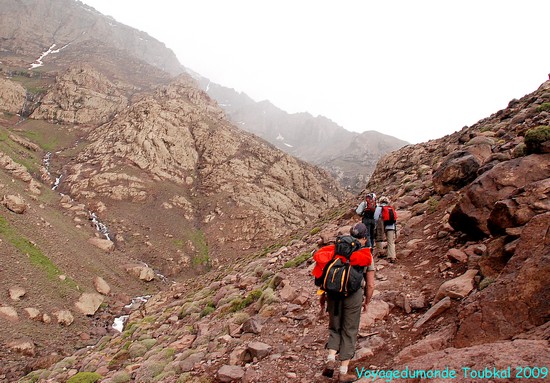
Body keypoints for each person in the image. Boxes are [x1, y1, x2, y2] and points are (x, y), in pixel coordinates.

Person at [314, 223, 375, 382]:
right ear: (364, 237)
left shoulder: (337, 249)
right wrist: (367, 301)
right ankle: (343, 372)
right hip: (352, 296)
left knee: (335, 327)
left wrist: (323, 299)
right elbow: (370, 284)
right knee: (349, 330)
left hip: (333, 294)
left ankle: (330, 360)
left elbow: (324, 273)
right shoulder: (365, 253)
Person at [374, 196, 397, 263]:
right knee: (390, 242)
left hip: (382, 226)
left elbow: (375, 217)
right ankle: (392, 257)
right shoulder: (391, 208)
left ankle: (381, 252)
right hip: (391, 226)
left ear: (380, 201)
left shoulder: (379, 208)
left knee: (378, 238)